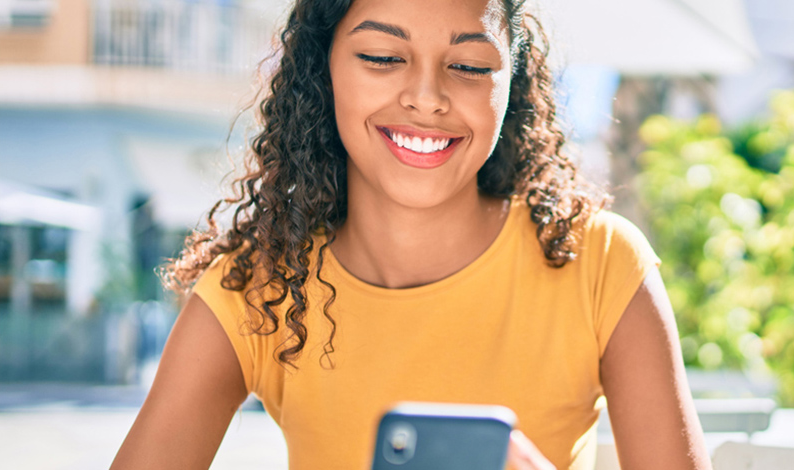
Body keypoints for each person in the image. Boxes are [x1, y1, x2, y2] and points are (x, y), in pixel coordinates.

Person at [111, 0, 710, 468]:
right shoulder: (256, 287)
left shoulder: (602, 263)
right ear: (323, 70)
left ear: (513, 82)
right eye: (382, 57)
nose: (427, 98)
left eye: (470, 67)